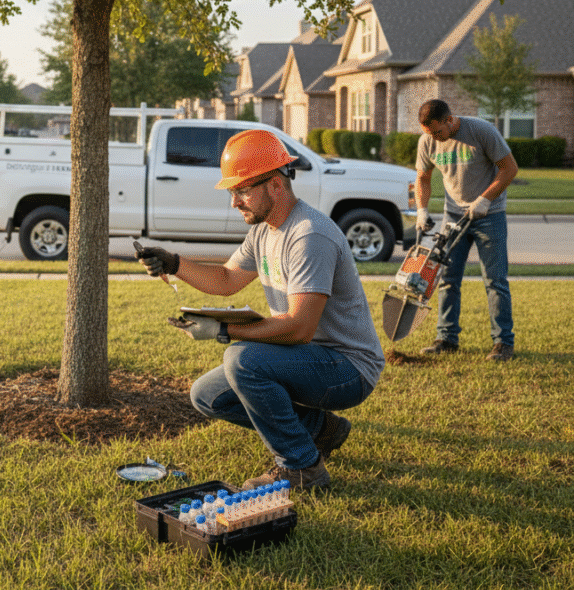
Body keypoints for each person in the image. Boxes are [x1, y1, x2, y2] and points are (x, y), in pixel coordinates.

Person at [135, 129, 384, 490]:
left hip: (347, 368)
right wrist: (173, 262)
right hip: (309, 357)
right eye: (233, 191)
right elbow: (225, 279)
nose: (234, 201)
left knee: (242, 360)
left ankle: (302, 467)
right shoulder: (265, 230)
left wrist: (223, 331)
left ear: (276, 185)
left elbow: (299, 328)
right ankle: (321, 430)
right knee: (207, 395)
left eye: (242, 190)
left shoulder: (308, 235)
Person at [414, 99, 518, 361]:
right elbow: (423, 177)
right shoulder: (427, 141)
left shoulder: (481, 131)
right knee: (447, 280)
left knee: (495, 280)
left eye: (438, 132)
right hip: (454, 216)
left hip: (489, 216)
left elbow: (510, 169)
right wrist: (422, 210)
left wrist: (485, 199)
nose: (435, 139)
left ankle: (503, 343)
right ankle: (446, 338)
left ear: (450, 120)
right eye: (429, 134)